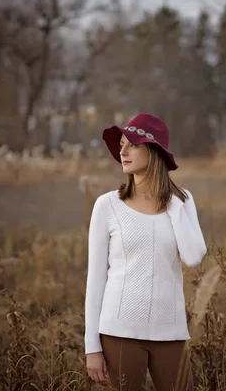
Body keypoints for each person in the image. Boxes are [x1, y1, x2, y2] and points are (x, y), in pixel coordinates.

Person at [84, 113, 208, 391]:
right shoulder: (107, 205)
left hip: (171, 333)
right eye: (122, 144)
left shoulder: (183, 201)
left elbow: (193, 256)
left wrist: (172, 203)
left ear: (154, 151)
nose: (122, 151)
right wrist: (92, 346)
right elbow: (96, 279)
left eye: (133, 145)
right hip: (119, 333)